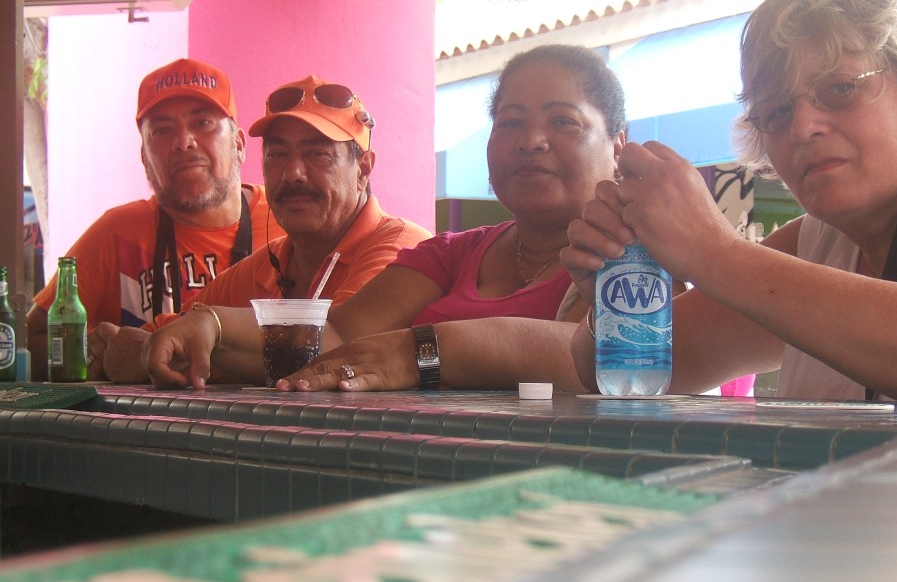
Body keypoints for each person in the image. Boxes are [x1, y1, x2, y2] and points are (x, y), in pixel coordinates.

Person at [562, 0, 897, 403]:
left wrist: (710, 250)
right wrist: (619, 300)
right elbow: (626, 371)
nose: (803, 128)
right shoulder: (814, 243)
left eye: (840, 88)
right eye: (776, 112)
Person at [144, 44, 626, 389]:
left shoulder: (638, 253)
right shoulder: (451, 253)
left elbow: (600, 355)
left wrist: (417, 353)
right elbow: (339, 336)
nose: (531, 141)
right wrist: (211, 327)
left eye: (563, 121)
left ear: (618, 146)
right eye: (511, 122)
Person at [97, 75, 431, 382]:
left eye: (318, 154)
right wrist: (119, 346)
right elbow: (171, 333)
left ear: (363, 170)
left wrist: (165, 352)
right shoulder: (263, 266)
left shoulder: (404, 250)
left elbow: (334, 352)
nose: (293, 173)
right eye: (277, 154)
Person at [26, 58, 285, 381]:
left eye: (203, 123)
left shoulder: (286, 224)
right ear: (144, 157)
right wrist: (90, 353)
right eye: (162, 130)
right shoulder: (116, 233)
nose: (183, 141)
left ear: (239, 144)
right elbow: (31, 339)